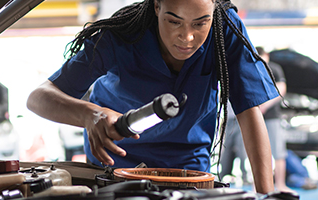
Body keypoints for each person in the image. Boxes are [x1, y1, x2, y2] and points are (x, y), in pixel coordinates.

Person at [26, 0, 280, 193]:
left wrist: (266, 196)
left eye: (200, 23)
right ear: (157, 6)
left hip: (189, 170)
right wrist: (90, 115)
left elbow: (248, 111)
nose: (187, 37)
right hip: (116, 166)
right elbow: (38, 98)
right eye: (174, 21)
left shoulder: (225, 29)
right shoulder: (122, 35)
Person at [254, 46, 292, 192]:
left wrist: (265, 106)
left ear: (267, 56)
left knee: (278, 152)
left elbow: (281, 90)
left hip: (272, 117)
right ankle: (258, 186)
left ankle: (280, 185)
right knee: (258, 153)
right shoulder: (253, 69)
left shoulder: (274, 68)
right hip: (258, 118)